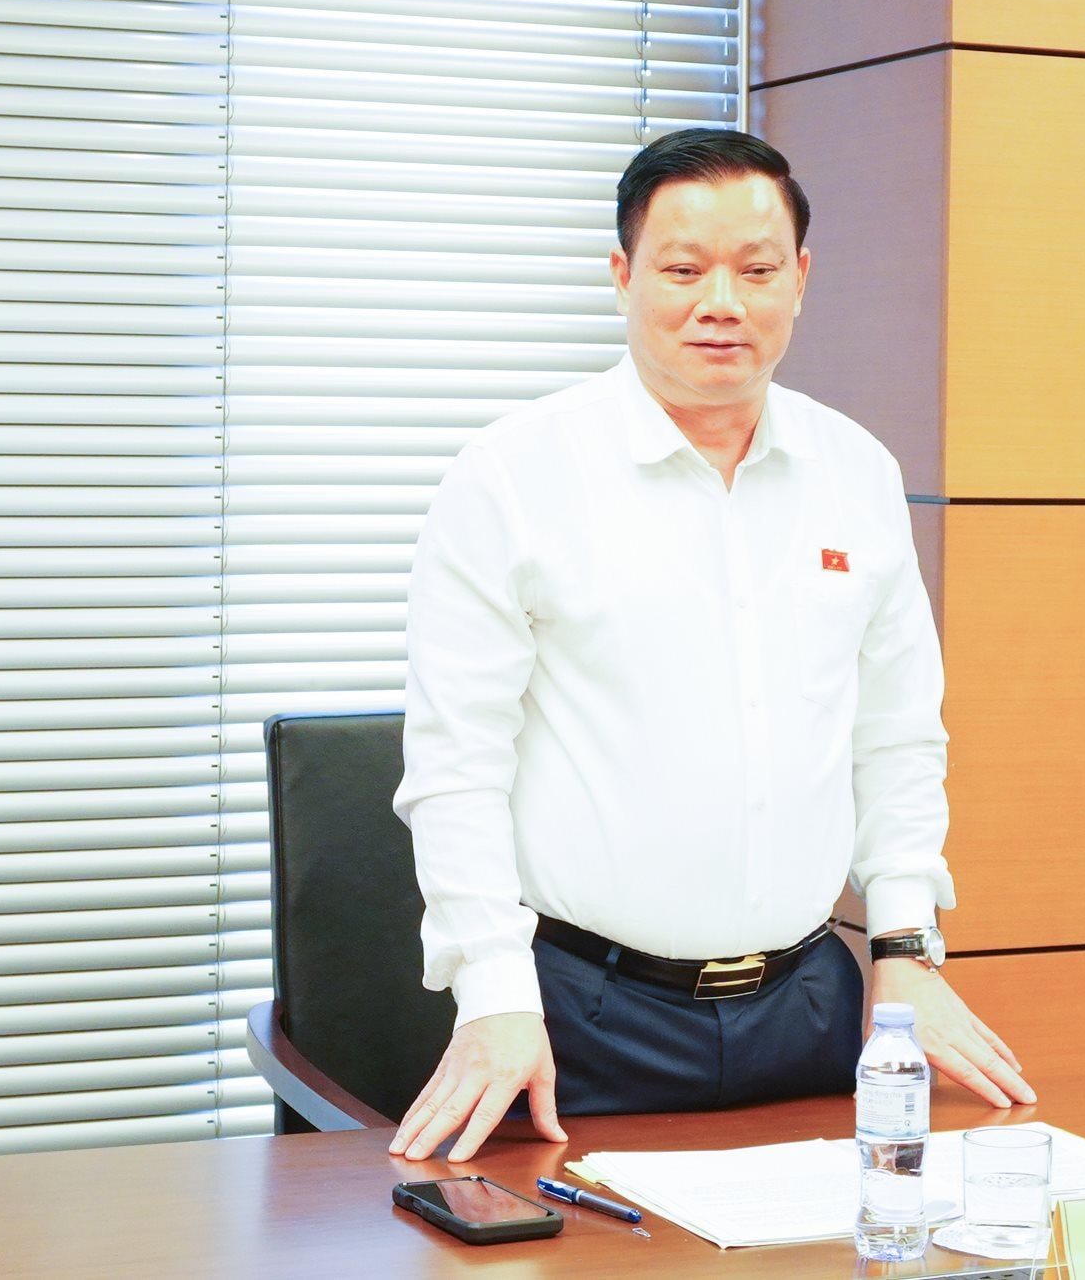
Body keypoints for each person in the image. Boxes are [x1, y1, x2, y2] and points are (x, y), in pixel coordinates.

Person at [389, 129, 1032, 1164]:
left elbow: (896, 737)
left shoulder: (856, 473)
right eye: (683, 271)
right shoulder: (512, 476)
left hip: (812, 1007)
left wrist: (907, 947)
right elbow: (456, 768)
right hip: (579, 1014)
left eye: (756, 270)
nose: (721, 303)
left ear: (800, 279)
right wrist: (493, 994)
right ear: (623, 275)